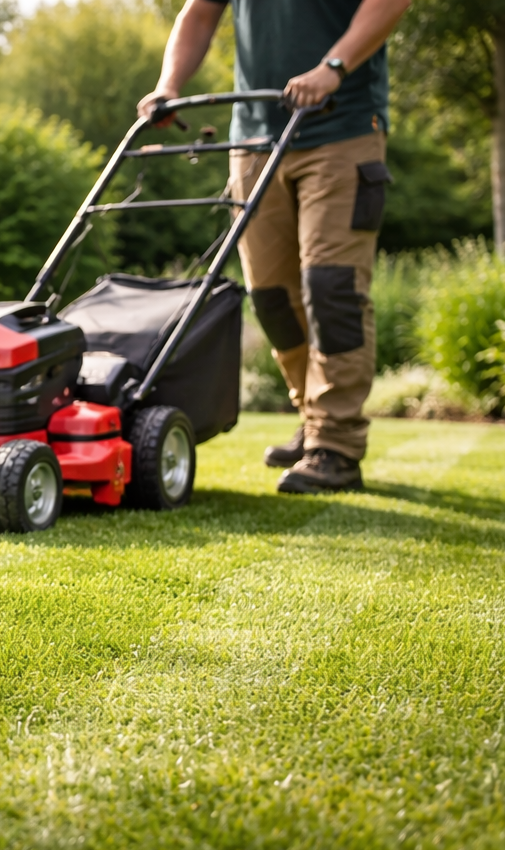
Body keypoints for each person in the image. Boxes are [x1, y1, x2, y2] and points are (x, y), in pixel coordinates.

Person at [138, 0, 412, 494]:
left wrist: (333, 67)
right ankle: (313, 417)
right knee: (270, 296)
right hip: (254, 139)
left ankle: (337, 444)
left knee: (333, 286)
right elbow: (199, 13)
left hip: (341, 128)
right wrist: (169, 86)